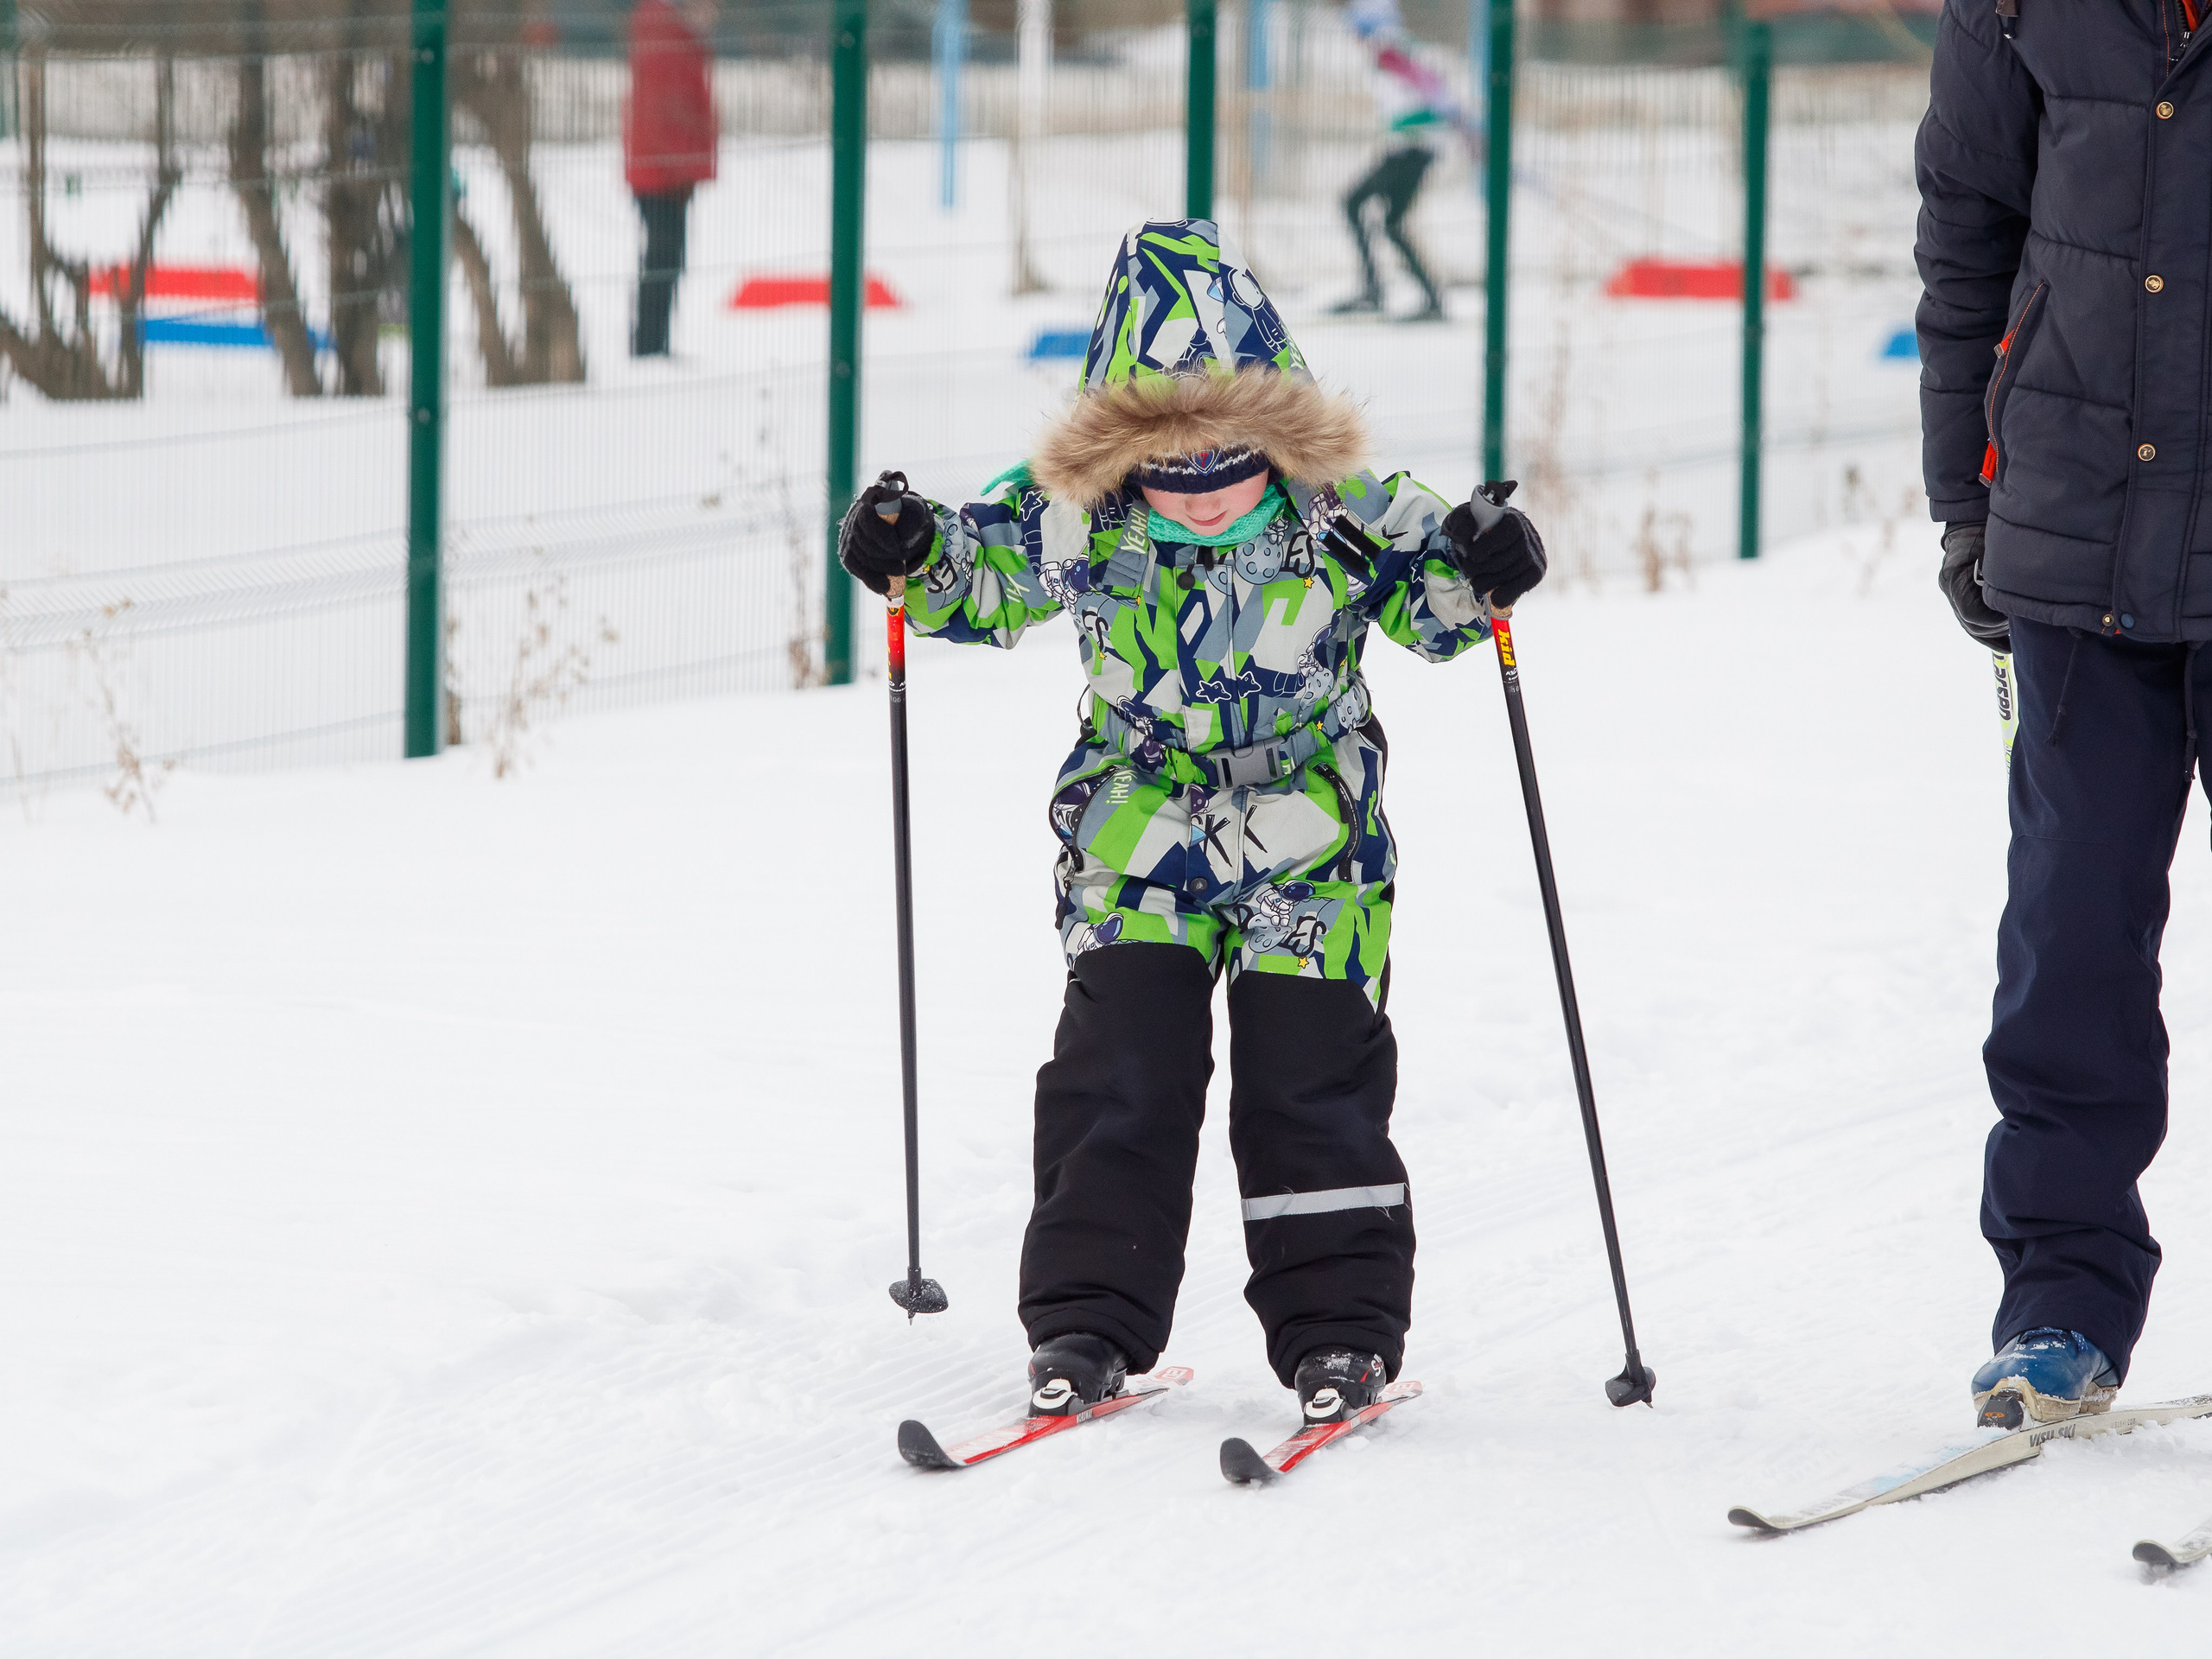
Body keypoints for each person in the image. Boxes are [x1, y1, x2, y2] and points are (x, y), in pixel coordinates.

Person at [836, 220, 1547, 1425]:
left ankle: (1340, 1333)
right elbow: (976, 572)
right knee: (1121, 1074)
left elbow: (1438, 607)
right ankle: (1084, 1321)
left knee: (1309, 1083)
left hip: (1313, 838)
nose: (1203, 502)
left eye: (1230, 471)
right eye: (1171, 476)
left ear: (1278, 438)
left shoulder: (1348, 506)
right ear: (1122, 454)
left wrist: (1487, 563)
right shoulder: (1077, 511)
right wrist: (910, 548)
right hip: (1134, 835)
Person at [1919, 0, 2212, 1427]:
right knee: (2070, 945)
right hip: (2076, 538)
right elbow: (1968, 229)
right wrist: (1964, 499)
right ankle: (2058, 1308)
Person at [1329, 0, 1468, 322]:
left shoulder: (1395, 53)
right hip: (1404, 149)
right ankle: (1389, 292)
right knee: (1378, 216)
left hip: (1415, 150)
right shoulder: (1388, 55)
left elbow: (1435, 105)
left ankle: (1406, 295)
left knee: (1369, 211)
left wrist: (1407, 125)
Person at [623, 0, 717, 358]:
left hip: (667, 169)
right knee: (663, 258)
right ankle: (648, 346)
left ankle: (652, 344)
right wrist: (681, 168)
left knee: (667, 257)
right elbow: (667, 109)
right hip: (662, 173)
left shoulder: (675, 33)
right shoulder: (666, 34)